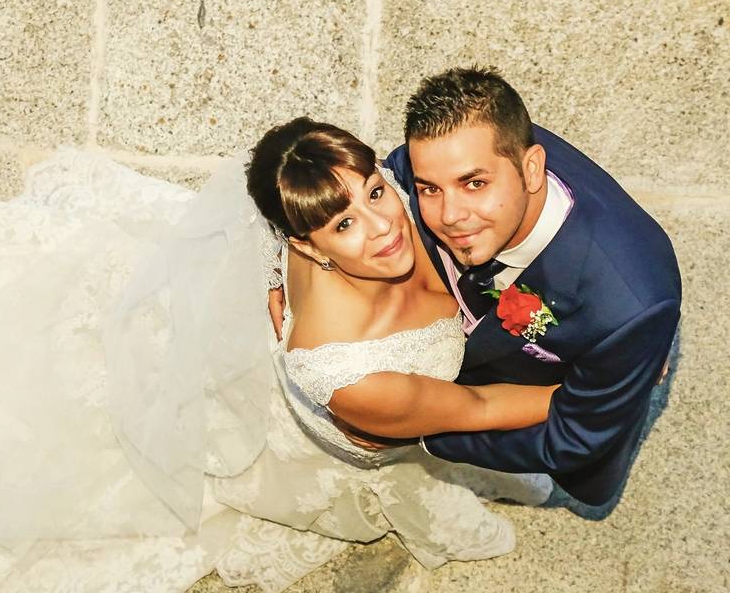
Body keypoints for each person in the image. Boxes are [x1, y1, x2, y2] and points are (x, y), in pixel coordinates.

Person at [0, 121, 553, 593]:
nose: (385, 228)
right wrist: (599, 386)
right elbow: (481, 408)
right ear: (307, 246)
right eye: (345, 224)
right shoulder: (355, 377)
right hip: (374, 427)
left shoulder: (388, 214)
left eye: (375, 193)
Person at [273, 66, 680, 508]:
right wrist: (286, 271)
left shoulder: (626, 308)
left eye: (475, 184)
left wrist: (420, 434)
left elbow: (573, 437)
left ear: (531, 169)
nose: (449, 216)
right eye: (429, 189)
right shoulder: (448, 152)